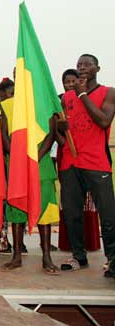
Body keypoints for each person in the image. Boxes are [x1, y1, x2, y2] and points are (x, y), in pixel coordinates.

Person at [57, 54, 115, 278]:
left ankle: (112, 260)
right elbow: (61, 131)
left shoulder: (108, 92)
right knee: (72, 214)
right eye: (79, 64)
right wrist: (61, 127)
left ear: (97, 68)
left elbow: (103, 121)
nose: (82, 68)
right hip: (71, 163)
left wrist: (82, 94)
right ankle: (78, 256)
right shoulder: (66, 97)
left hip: (96, 162)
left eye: (87, 64)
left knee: (108, 215)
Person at [57, 68, 101, 253]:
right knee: (70, 205)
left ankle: (92, 242)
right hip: (67, 157)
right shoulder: (61, 102)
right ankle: (73, 249)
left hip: (91, 160)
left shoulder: (88, 99)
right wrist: (64, 137)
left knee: (90, 202)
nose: (70, 85)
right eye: (66, 82)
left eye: (73, 81)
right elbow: (56, 133)